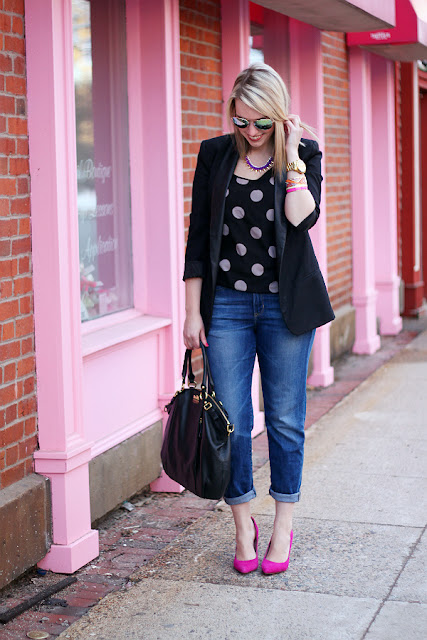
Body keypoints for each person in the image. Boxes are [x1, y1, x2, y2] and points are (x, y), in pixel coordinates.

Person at [183, 63, 334, 575]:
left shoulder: (304, 154)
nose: (250, 132)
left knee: (286, 419)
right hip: (225, 306)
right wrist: (191, 314)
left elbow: (302, 219)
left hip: (284, 308)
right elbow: (197, 241)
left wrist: (289, 155)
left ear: (278, 117)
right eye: (241, 120)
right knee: (234, 422)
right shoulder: (215, 155)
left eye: (261, 123)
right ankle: (243, 523)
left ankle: (283, 525)